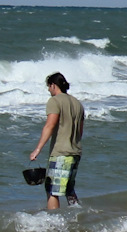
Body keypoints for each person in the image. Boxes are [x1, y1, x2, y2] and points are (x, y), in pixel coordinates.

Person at [27, 71, 85, 210]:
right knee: (69, 189)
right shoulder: (78, 104)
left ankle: (54, 224)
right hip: (75, 152)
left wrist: (37, 149)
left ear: (53, 85)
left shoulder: (55, 101)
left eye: (49, 86)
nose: (48, 90)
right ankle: (78, 217)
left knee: (52, 190)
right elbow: (80, 131)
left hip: (61, 153)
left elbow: (50, 126)